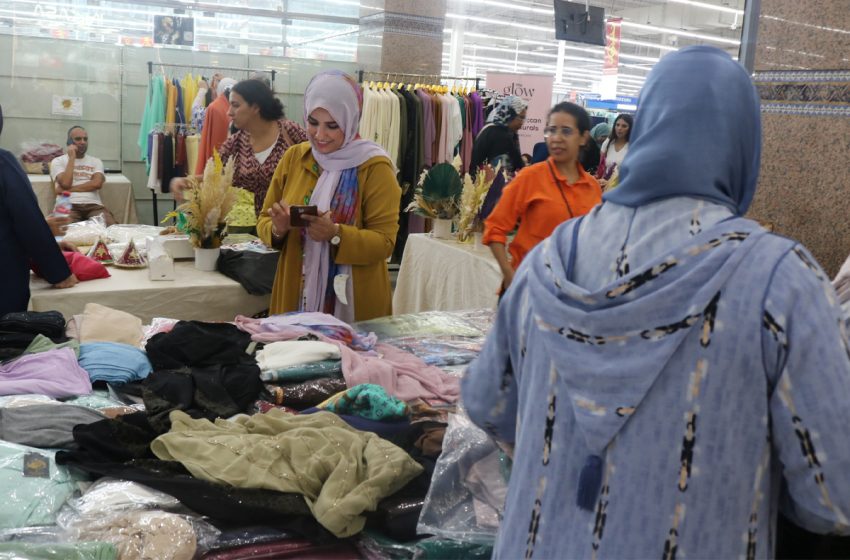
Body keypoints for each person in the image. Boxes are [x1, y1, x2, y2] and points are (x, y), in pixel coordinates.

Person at [463, 46, 850, 559]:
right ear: (742, 146)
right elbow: (833, 496)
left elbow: (487, 402)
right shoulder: (780, 280)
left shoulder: (548, 258)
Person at [257, 71, 401, 322]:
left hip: (354, 303)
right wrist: (278, 228)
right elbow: (263, 220)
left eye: (332, 125)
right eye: (313, 122)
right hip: (296, 294)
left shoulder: (374, 167)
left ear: (350, 120)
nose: (320, 135)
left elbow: (385, 242)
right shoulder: (295, 158)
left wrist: (335, 234)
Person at [483, 102, 601, 290]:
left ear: (584, 138)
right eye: (551, 130)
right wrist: (509, 274)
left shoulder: (592, 187)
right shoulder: (530, 177)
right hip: (528, 288)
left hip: (570, 292)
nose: (557, 138)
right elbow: (494, 228)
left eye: (566, 131)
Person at [171, 79, 306, 217]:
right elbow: (214, 175)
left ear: (255, 107)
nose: (229, 112)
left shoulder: (289, 132)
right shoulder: (236, 143)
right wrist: (185, 181)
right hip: (253, 230)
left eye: (235, 105)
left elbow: (319, 161)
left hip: (292, 225)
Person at [0, 105, 77, 315]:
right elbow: (26, 221)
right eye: (76, 139)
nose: (80, 143)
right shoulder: (3, 163)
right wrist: (58, 272)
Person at [49, 126, 116, 226]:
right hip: (67, 204)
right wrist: (72, 158)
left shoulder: (96, 161)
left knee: (112, 228)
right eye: (78, 139)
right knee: (61, 233)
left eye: (85, 139)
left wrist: (66, 190)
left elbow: (96, 184)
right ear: (69, 142)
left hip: (93, 205)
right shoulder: (58, 161)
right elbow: (66, 183)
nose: (83, 142)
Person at [469, 96, 527, 176]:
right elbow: (499, 171)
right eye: (521, 117)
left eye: (524, 118)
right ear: (510, 114)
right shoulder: (497, 134)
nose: (522, 122)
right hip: (488, 185)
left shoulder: (506, 132)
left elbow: (517, 162)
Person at [597, 113, 632, 190]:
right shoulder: (608, 143)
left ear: (630, 128)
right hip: (604, 188)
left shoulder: (632, 146)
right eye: (617, 125)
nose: (619, 128)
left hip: (622, 189)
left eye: (624, 126)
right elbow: (602, 167)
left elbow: (632, 174)